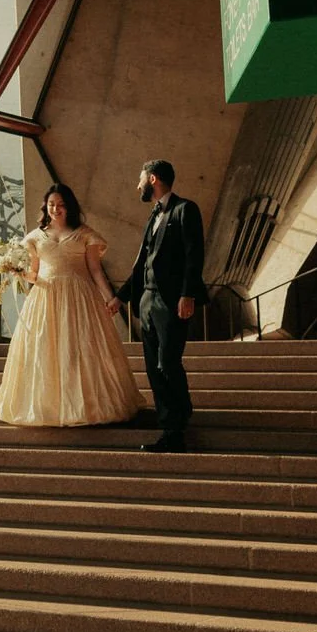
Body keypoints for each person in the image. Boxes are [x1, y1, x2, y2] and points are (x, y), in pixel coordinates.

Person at [0, 183, 145, 427]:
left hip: (80, 298)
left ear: (70, 207)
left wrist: (110, 298)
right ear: (46, 207)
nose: (56, 209)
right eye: (52, 205)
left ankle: (87, 406)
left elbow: (96, 271)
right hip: (45, 298)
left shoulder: (86, 234)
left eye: (61, 205)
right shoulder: (34, 237)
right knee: (46, 350)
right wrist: (18, 271)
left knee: (81, 349)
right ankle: (48, 408)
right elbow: (34, 274)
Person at [110, 159, 207, 452]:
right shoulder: (153, 215)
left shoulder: (184, 209)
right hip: (147, 301)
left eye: (140, 179)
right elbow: (142, 264)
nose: (137, 185)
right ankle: (174, 418)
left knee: (168, 363)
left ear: (153, 179)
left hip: (171, 301)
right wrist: (122, 297)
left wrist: (187, 294)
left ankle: (174, 430)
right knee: (154, 367)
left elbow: (195, 254)